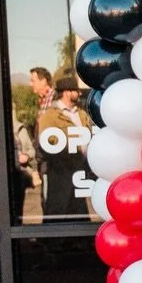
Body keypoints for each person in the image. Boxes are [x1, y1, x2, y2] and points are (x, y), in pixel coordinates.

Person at [35, 77, 92, 221]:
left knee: (79, 208)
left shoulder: (81, 114)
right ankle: (55, 242)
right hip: (60, 173)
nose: (79, 94)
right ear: (66, 93)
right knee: (57, 209)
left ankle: (79, 241)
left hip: (80, 171)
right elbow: (44, 144)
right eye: (75, 91)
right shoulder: (50, 116)